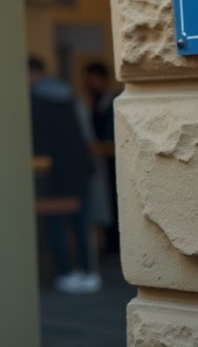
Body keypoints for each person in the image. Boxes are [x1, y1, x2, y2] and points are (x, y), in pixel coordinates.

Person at [28, 56, 99, 293]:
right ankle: (88, 273)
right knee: (81, 224)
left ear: (30, 75)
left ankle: (67, 274)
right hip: (80, 169)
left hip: (52, 172)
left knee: (55, 224)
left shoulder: (33, 100)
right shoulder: (69, 96)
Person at [84, 61, 120, 252]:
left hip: (114, 160)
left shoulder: (114, 99)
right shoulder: (95, 101)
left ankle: (116, 244)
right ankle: (110, 243)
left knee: (116, 201)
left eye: (93, 78)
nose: (90, 83)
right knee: (106, 201)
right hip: (102, 160)